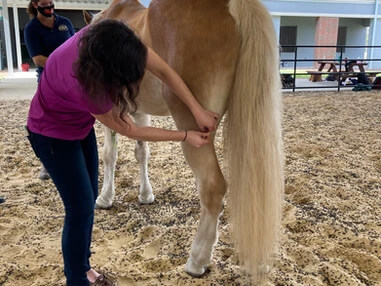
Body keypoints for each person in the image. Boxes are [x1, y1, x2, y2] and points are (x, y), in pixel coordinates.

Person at [26, 19, 219, 286]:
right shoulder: (82, 84)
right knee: (80, 208)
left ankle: (84, 267)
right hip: (50, 135)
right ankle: (77, 279)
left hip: (78, 128)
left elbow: (164, 70)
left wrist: (197, 110)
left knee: (89, 196)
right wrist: (185, 136)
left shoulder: (113, 39)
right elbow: (129, 128)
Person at [24, 0, 75, 180]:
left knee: (72, 117)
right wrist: (62, 65)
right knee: (49, 120)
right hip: (48, 79)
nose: (49, 5)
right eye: (45, 2)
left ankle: (73, 156)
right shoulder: (32, 29)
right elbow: (38, 59)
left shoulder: (65, 23)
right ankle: (46, 163)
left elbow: (75, 47)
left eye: (51, 2)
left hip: (71, 78)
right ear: (36, 4)